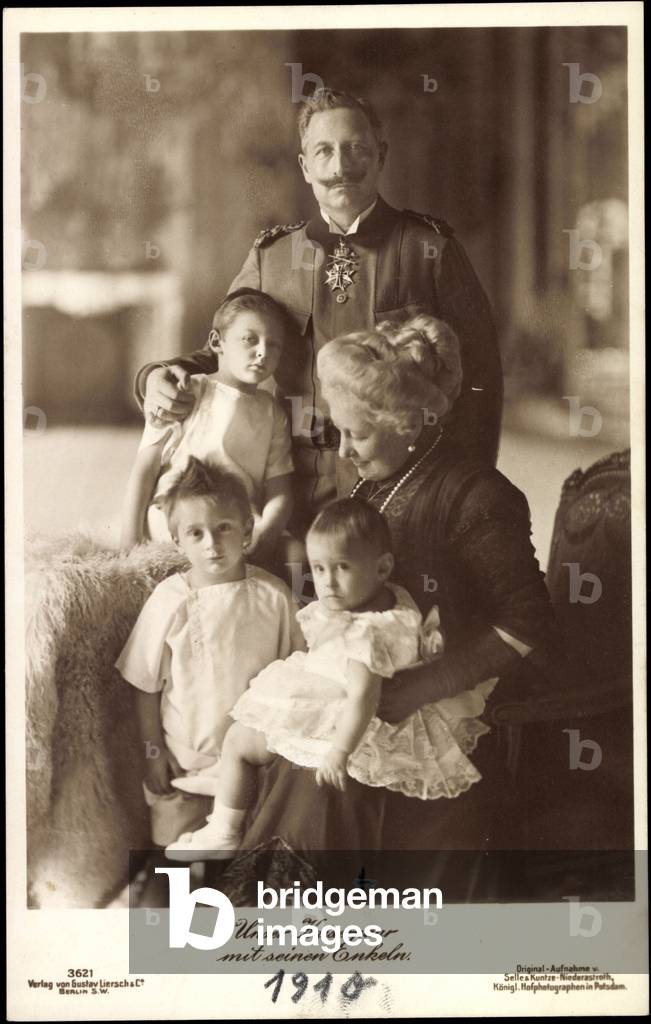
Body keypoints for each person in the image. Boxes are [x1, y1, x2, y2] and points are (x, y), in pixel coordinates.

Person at [215, 314, 555, 902]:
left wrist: (422, 687)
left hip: (443, 706)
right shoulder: (370, 487)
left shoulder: (479, 495)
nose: (343, 450)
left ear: (410, 424)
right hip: (367, 682)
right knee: (280, 736)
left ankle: (294, 930)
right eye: (340, 432)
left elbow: (529, 624)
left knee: (323, 770)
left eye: (359, 436)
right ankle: (264, 917)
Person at [134, 87, 503, 534]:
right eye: (324, 152)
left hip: (401, 481)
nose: (340, 167)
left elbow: (482, 378)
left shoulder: (430, 249)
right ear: (304, 165)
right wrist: (157, 375)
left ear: (381, 156)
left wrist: (465, 491)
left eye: (356, 150)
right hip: (291, 486)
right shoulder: (272, 257)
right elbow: (224, 352)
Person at [165, 498, 497, 861]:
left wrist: (339, 752)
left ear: (383, 567)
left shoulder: (362, 635)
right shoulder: (395, 600)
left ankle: (224, 830)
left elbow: (362, 697)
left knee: (238, 740)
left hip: (340, 718)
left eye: (342, 568)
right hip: (348, 701)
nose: (328, 583)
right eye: (319, 569)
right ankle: (224, 799)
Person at [115, 457, 303, 848]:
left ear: (247, 530)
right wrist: (153, 752)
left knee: (243, 860)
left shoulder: (275, 596)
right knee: (179, 860)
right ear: (177, 539)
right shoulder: (170, 599)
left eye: (223, 529)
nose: (212, 545)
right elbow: (145, 684)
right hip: (186, 764)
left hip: (255, 766)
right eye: (196, 533)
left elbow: (295, 672)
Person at [121, 289, 298, 574]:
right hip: (179, 513)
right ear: (217, 342)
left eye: (274, 345)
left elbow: (281, 492)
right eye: (250, 339)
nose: (263, 351)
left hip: (235, 520)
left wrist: (268, 530)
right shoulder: (187, 390)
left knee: (296, 553)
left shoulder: (273, 412)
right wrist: (129, 544)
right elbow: (145, 468)